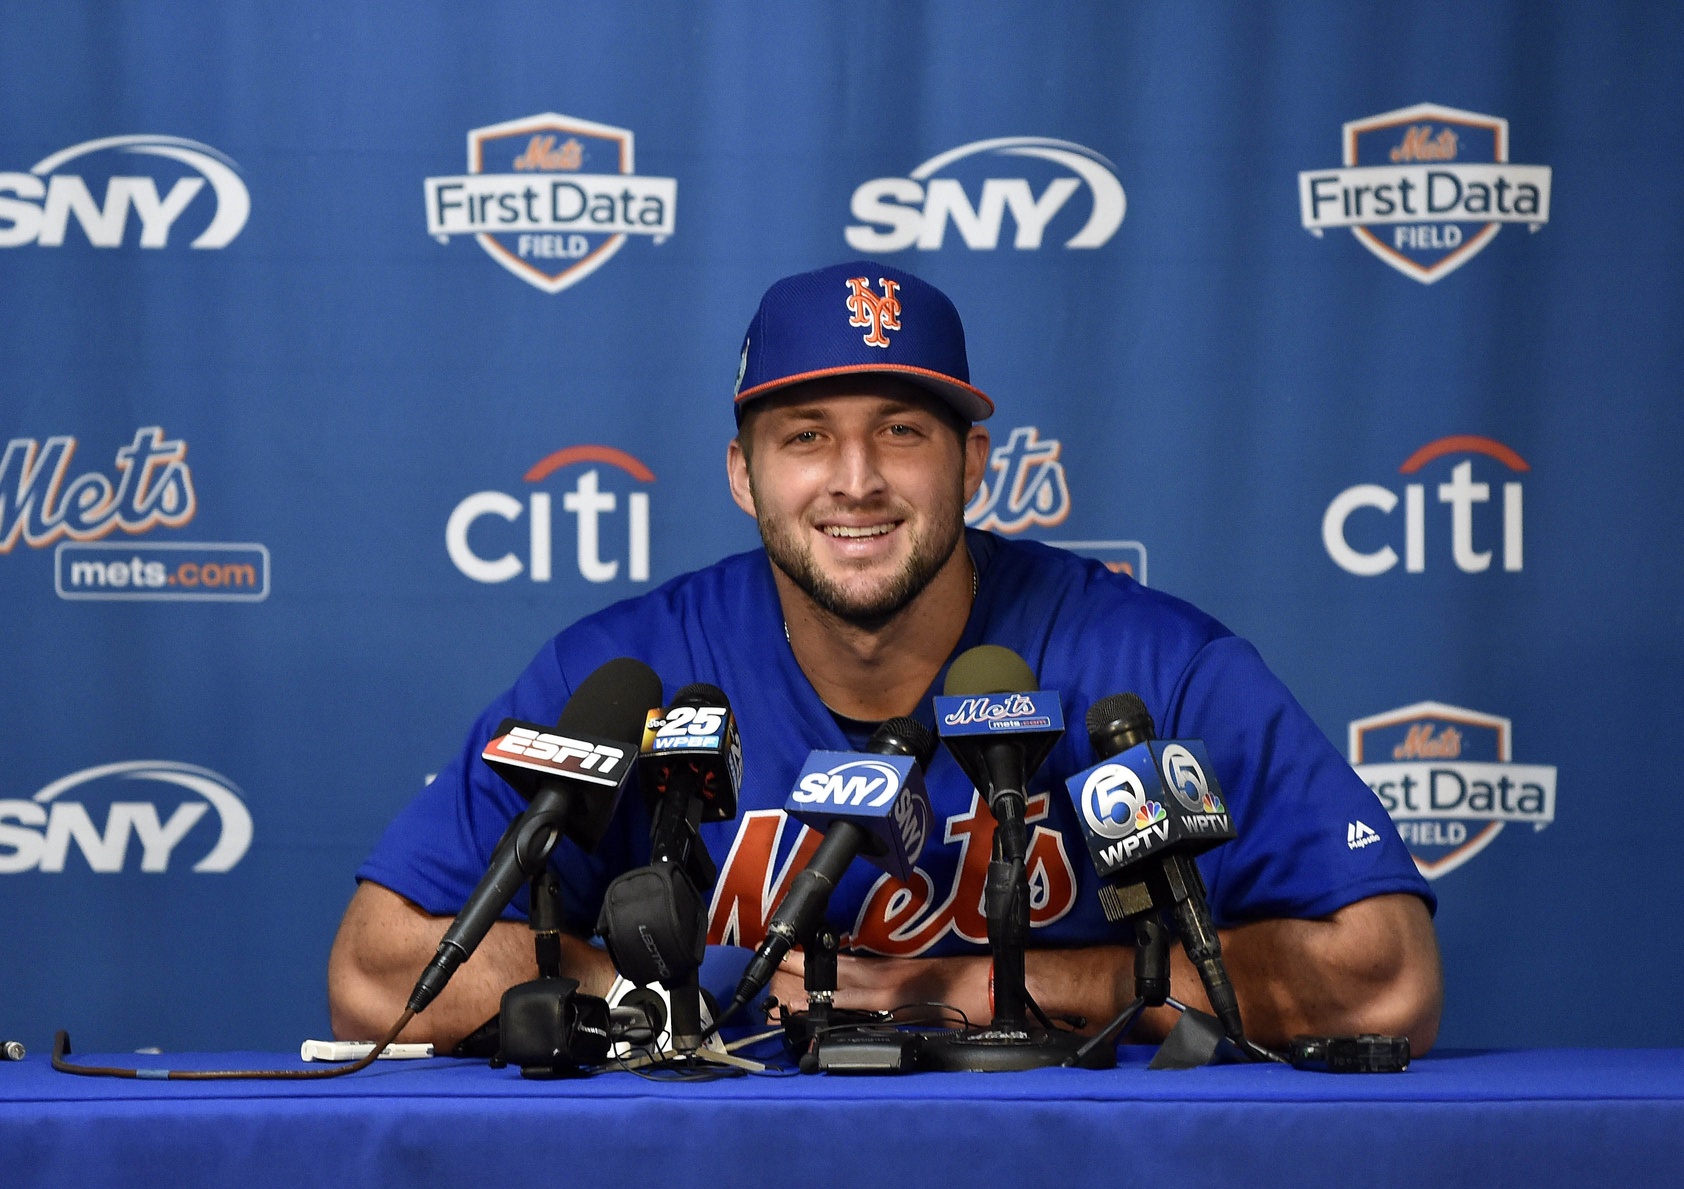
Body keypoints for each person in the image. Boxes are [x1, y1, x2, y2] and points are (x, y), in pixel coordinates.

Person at [328, 260, 1442, 1053]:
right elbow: (381, 968)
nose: (854, 477)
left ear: (972, 463)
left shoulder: (1148, 664)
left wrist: (994, 985)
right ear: (741, 474)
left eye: (900, 431)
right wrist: (680, 997)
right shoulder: (630, 667)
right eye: (805, 434)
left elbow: (1384, 979)